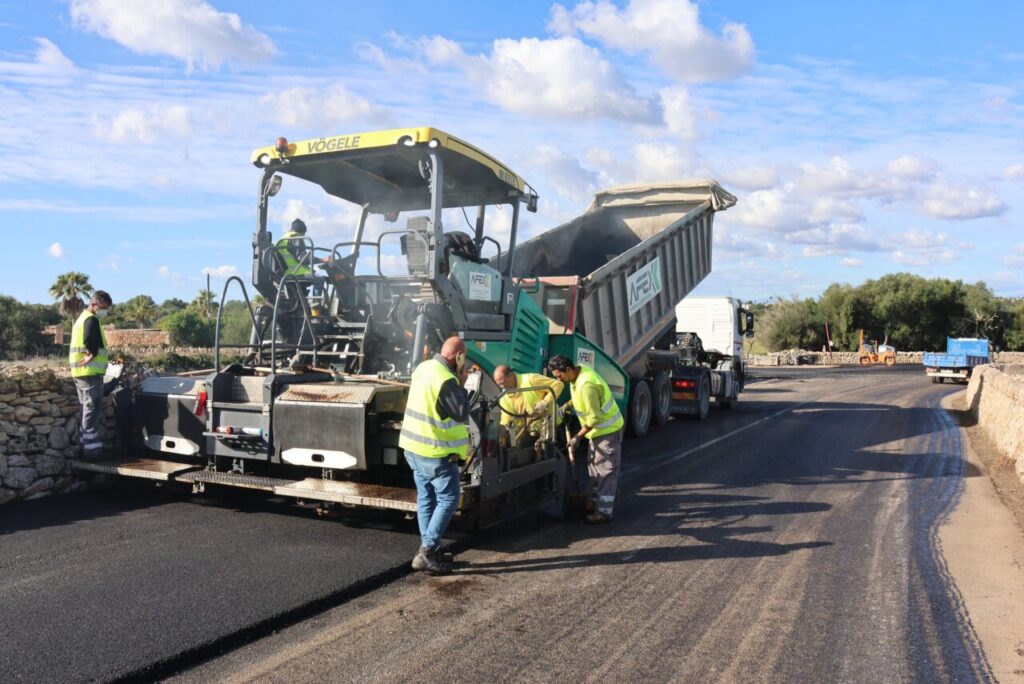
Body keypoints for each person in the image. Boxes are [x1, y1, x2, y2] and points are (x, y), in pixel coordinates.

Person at [399, 336, 472, 574]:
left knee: (426, 498)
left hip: (413, 447)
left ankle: (431, 548)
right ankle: (428, 551)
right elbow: (461, 412)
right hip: (435, 451)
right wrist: (462, 381)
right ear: (458, 356)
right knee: (449, 498)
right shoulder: (447, 379)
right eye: (464, 357)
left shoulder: (424, 367)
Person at [547, 354, 624, 524]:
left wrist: (577, 437)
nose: (559, 380)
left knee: (605, 471)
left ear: (568, 369)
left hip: (607, 431)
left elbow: (594, 418)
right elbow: (579, 398)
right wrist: (567, 406)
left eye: (559, 376)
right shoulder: (579, 373)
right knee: (594, 469)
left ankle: (603, 513)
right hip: (597, 433)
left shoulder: (587, 385)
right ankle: (593, 502)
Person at [69, 291, 114, 458]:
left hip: (80, 372)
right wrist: (91, 355)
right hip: (90, 372)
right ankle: (92, 450)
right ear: (96, 303)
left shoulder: (80, 319)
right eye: (104, 307)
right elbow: (90, 338)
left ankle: (84, 445)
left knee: (85, 408)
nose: (105, 311)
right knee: (92, 408)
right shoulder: (91, 319)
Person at [492, 365, 563, 444]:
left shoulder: (530, 380)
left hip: (553, 427)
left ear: (511, 375)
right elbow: (507, 422)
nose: (503, 387)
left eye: (503, 382)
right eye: (499, 384)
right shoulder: (504, 398)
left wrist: (545, 402)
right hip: (533, 433)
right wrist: (509, 439)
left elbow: (558, 385)